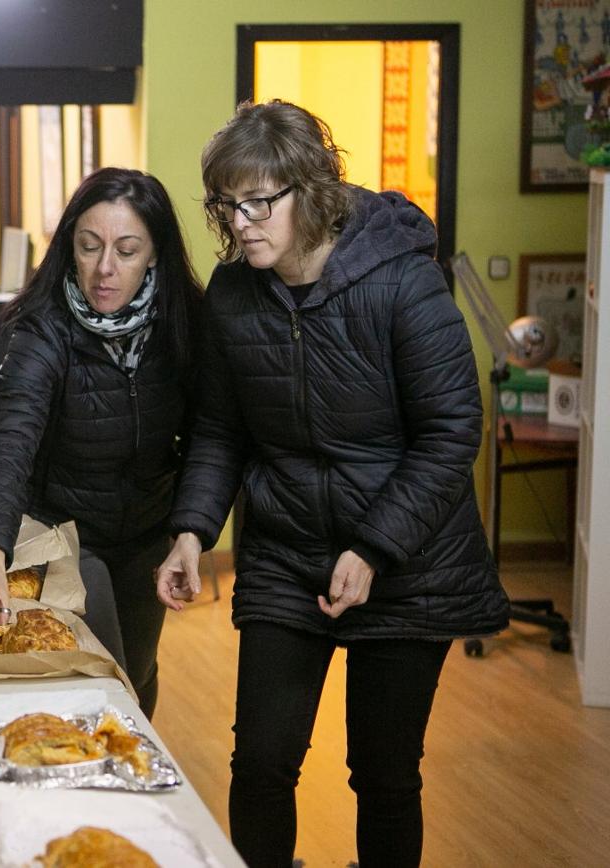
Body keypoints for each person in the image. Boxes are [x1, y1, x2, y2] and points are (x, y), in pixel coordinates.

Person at [156, 100, 509, 868]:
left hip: (408, 564)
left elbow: (452, 431)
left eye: (259, 202)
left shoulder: (404, 284)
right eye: (226, 204)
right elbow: (221, 428)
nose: (241, 221)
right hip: (287, 553)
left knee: (383, 776)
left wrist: (376, 548)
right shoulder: (233, 295)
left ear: (308, 191)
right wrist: (192, 529)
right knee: (260, 765)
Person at [0, 167, 202, 717]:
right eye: (89, 247)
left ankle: (128, 785)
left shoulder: (185, 323)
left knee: (135, 676)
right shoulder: (44, 329)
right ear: (71, 246)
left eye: (127, 250)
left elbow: (211, 437)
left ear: (155, 253)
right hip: (62, 536)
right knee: (88, 676)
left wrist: (191, 531)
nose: (104, 269)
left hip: (145, 533)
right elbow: (9, 442)